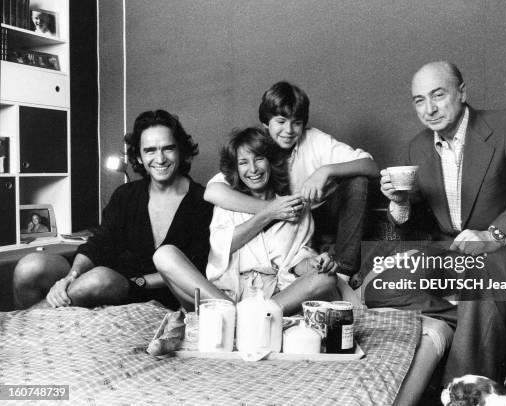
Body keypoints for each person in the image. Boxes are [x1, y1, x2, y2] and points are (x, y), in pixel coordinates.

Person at [376, 61, 506, 382]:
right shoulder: (418, 146)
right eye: (419, 100)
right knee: (383, 286)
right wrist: (400, 204)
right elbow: (419, 216)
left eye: (438, 95)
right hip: (453, 253)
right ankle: (488, 330)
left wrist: (495, 235)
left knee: (480, 278)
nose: (429, 109)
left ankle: (466, 395)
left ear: (462, 92)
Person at [13, 109, 213, 309]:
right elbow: (100, 243)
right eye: (150, 150)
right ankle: (42, 331)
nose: (160, 159)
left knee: (98, 278)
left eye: (168, 148)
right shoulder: (126, 195)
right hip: (109, 272)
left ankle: (24, 324)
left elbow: (196, 268)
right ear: (140, 157)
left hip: (149, 287)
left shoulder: (201, 201)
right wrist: (69, 277)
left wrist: (138, 282)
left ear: (181, 150)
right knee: (30, 267)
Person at [154, 127, 352, 316]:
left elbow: (297, 261)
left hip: (277, 300)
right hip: (224, 297)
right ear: (235, 168)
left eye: (259, 158)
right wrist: (268, 213)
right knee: (164, 255)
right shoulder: (226, 203)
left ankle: (248, 319)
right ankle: (235, 315)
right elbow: (222, 246)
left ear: (271, 162)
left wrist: (316, 263)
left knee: (326, 278)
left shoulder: (295, 206)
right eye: (243, 162)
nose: (252, 169)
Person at [205, 81, 379, 284]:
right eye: (280, 121)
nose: (288, 130)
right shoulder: (257, 149)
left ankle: (342, 274)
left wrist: (326, 171)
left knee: (358, 182)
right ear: (265, 124)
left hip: (318, 213)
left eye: (296, 122)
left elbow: (372, 167)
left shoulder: (315, 141)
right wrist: (274, 209)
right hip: (283, 222)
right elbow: (212, 192)